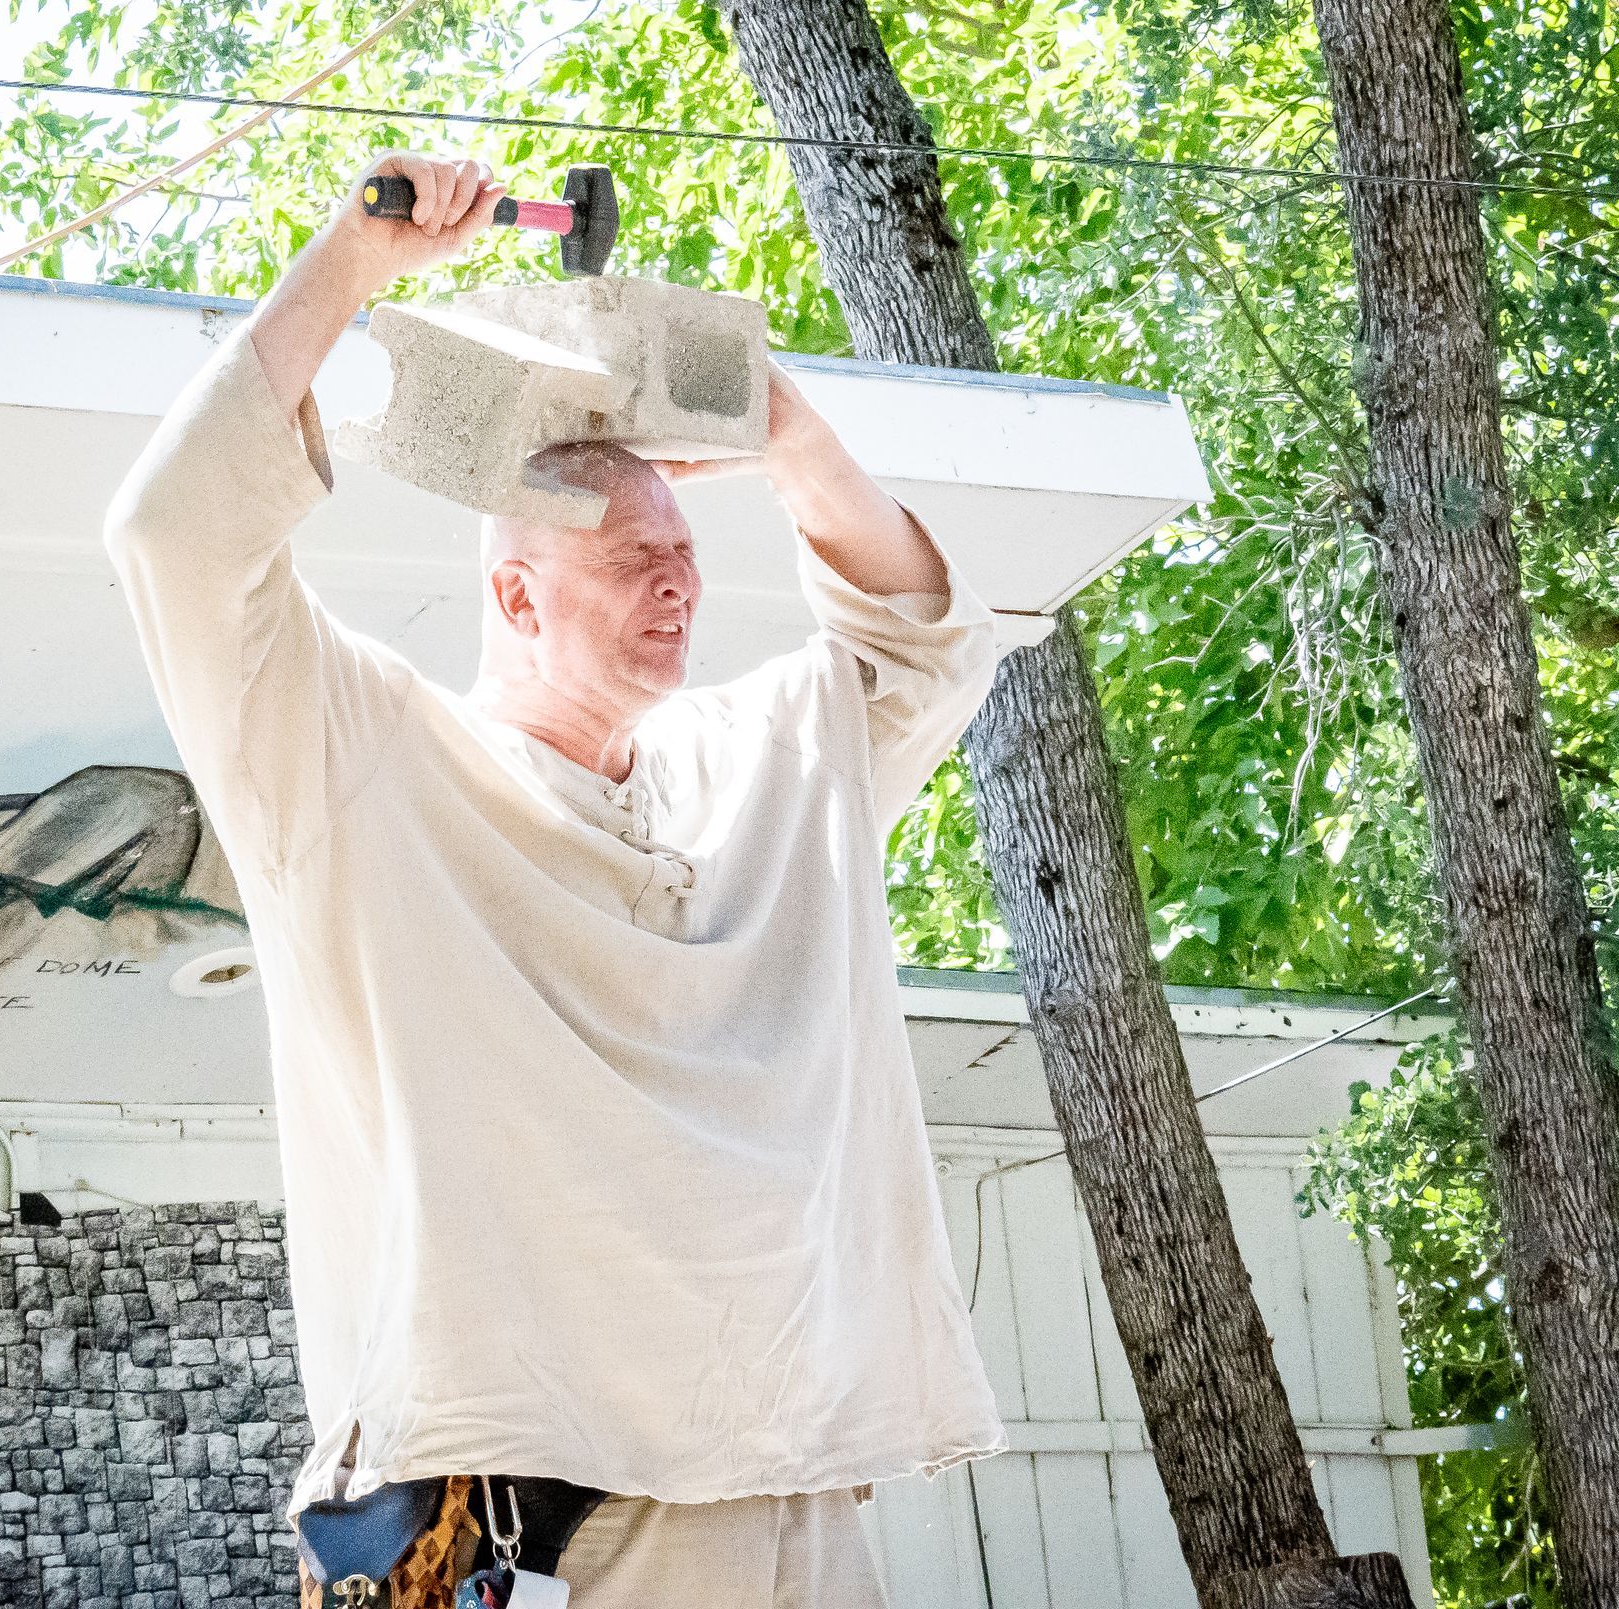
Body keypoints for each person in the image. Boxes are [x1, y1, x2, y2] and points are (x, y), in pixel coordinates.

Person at [103, 148, 1006, 1608]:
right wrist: (353, 263)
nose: (683, 582)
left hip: (797, 1494)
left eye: (690, 553)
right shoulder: (368, 767)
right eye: (635, 553)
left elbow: (921, 643)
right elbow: (176, 537)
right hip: (566, 1529)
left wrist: (771, 420)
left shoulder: (758, 770)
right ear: (514, 591)